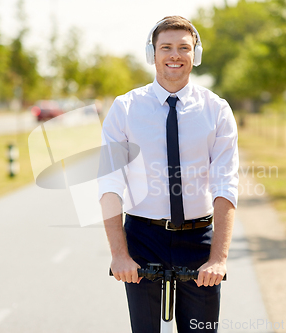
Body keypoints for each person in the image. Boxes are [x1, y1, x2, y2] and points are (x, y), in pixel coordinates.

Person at [98, 16, 239, 333]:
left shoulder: (216, 110)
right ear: (153, 54)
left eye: (183, 48)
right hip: (142, 237)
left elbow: (225, 185)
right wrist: (119, 255)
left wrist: (218, 259)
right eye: (166, 47)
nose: (175, 55)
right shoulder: (125, 108)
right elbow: (109, 184)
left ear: (195, 55)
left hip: (198, 239)